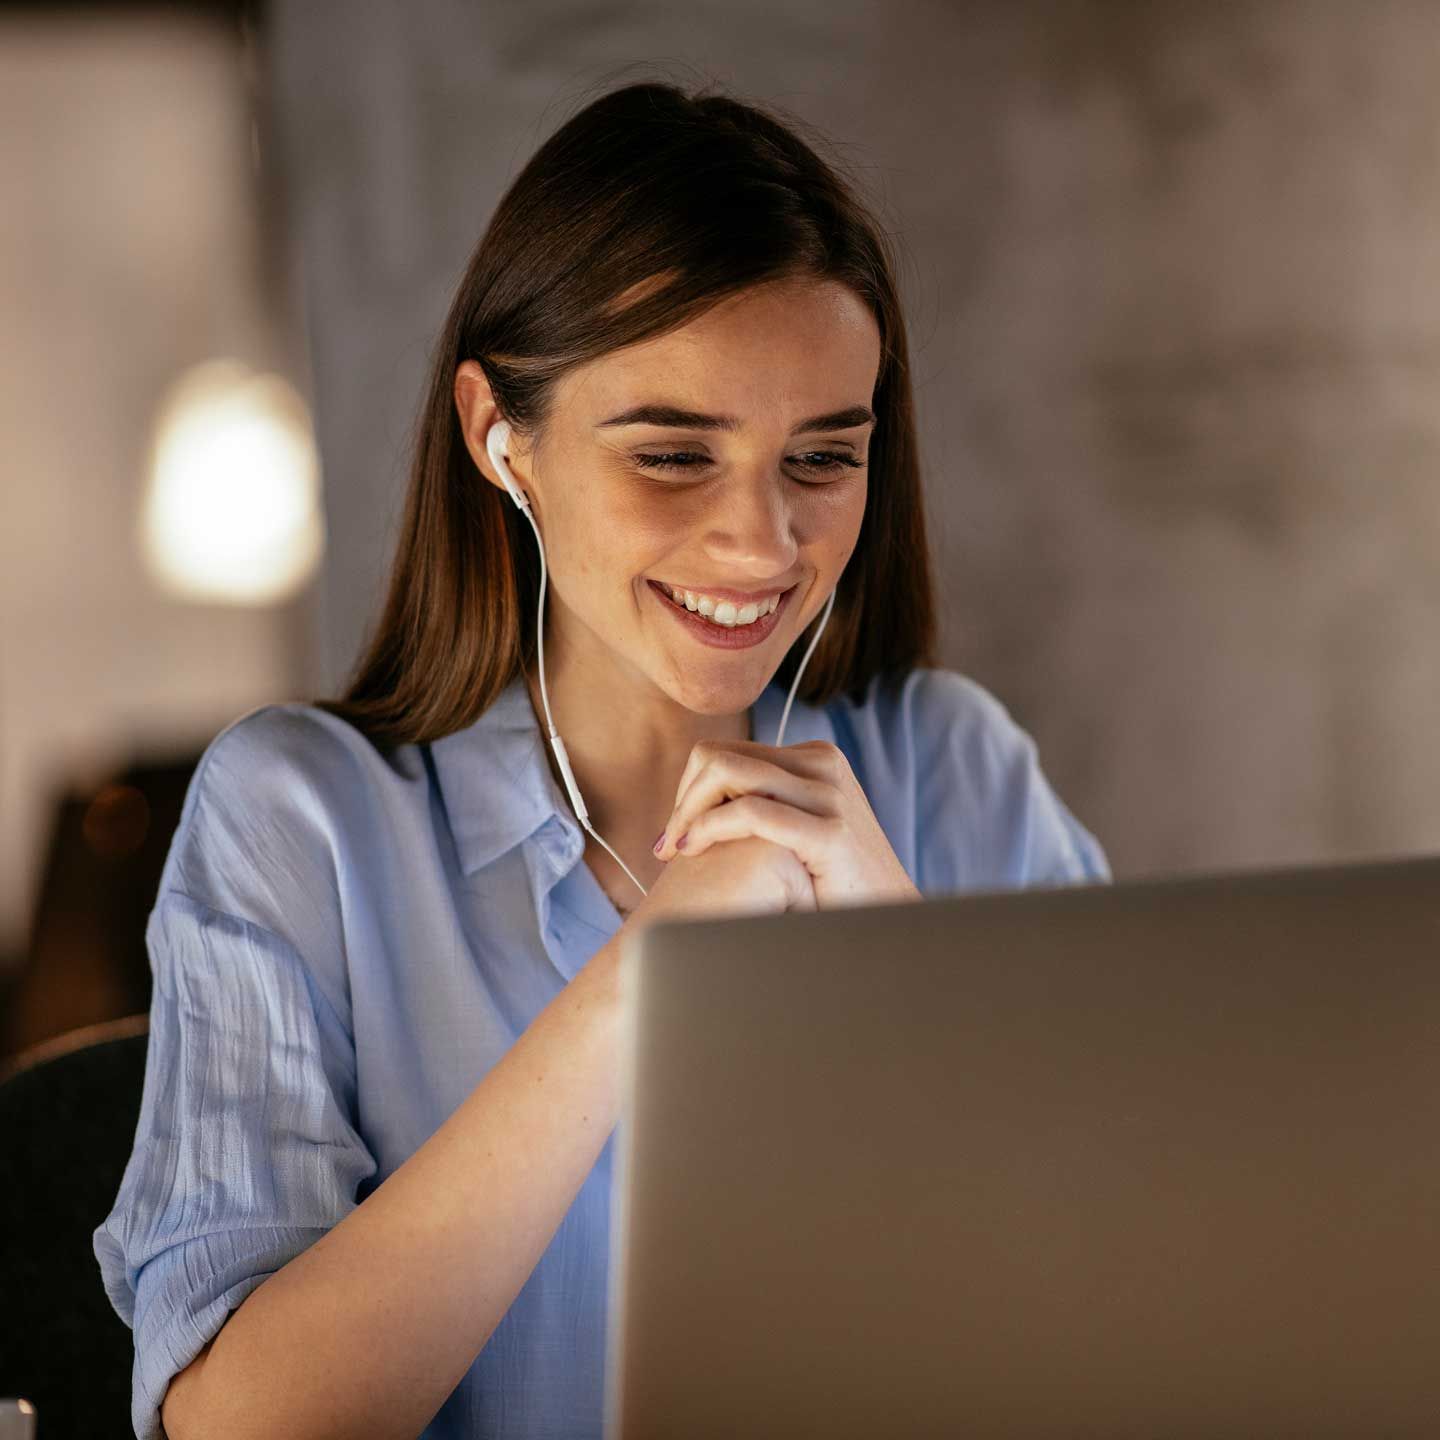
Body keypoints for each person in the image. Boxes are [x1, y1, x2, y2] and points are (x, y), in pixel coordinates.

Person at [93, 77, 1109, 1440]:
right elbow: (252, 1428)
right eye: (675, 456)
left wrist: (905, 977)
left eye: (821, 459)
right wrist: (649, 979)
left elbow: (1125, 1347)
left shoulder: (958, 775)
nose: (763, 544)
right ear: (498, 438)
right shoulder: (303, 820)